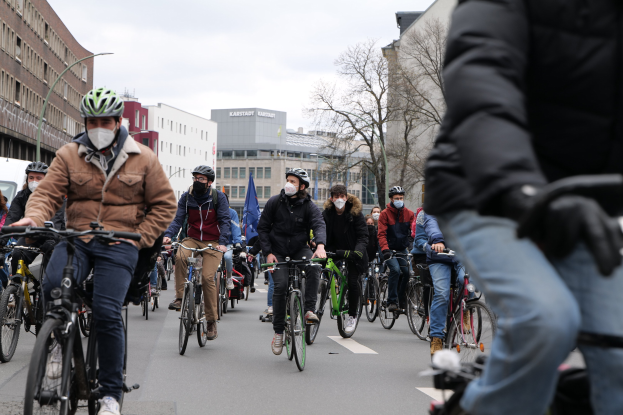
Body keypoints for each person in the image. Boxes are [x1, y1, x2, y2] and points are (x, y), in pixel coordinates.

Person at [424, 2, 623, 414]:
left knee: (618, 352)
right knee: (544, 319)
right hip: (487, 189)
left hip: (589, 205)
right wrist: (522, 188)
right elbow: (483, 81)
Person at [12, 87, 176, 415]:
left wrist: (141, 236)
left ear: (118, 122)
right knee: (52, 285)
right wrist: (34, 216)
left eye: (105, 120)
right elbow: (47, 193)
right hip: (77, 240)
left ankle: (111, 395)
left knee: (106, 310)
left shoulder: (142, 158)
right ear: (85, 122)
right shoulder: (69, 155)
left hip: (120, 244)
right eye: (92, 121)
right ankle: (57, 348)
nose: (98, 126)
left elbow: (164, 204)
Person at [257, 168, 327, 355]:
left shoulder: (309, 205)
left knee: (313, 268)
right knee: (280, 286)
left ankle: (308, 311)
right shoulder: (275, 201)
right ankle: (279, 331)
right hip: (277, 251)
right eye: (287, 180)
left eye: (293, 182)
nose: (288, 184)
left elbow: (319, 224)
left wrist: (320, 246)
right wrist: (268, 253)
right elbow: (262, 228)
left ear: (302, 186)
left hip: (299, 248)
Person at [163, 165, 230, 341]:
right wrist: (168, 235)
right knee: (179, 256)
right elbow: (178, 219)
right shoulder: (187, 197)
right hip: (192, 239)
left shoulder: (218, 197)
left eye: (201, 179)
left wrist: (223, 243)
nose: (197, 181)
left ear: (209, 182)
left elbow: (224, 221)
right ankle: (179, 297)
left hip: (213, 242)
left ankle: (210, 321)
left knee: (208, 278)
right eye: (195, 178)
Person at [415, 211, 469, 356]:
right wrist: (436, 242)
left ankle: (466, 308)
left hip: (461, 255)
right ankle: (437, 337)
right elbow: (431, 224)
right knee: (441, 293)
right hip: (439, 256)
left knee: (465, 280)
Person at [5, 162, 66, 277]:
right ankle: (17, 287)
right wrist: (3, 236)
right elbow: (12, 217)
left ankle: (47, 292)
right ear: (27, 179)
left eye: (39, 178)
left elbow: (56, 220)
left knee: (51, 268)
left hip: (54, 235)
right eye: (31, 177)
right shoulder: (21, 196)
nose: (34, 181)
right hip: (32, 234)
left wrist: (52, 239)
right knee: (18, 253)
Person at [322, 184, 368, 332]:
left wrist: (358, 252)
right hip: (333, 251)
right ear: (332, 198)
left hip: (353, 253)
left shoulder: (356, 213)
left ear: (346, 197)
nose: (339, 199)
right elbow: (320, 231)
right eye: (336, 196)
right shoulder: (327, 214)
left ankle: (352, 316)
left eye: (342, 196)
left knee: (352, 282)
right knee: (322, 273)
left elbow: (363, 236)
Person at [377, 186, 415, 312]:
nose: (399, 200)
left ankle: (401, 299)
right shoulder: (384, 214)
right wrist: (385, 250)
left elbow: (412, 233)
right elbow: (381, 234)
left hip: (402, 248)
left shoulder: (409, 214)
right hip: (388, 248)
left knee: (407, 273)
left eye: (401, 198)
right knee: (395, 270)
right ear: (391, 200)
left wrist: (411, 246)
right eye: (396, 198)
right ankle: (391, 301)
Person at [224, 205, 242, 290]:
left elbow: (235, 228)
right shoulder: (212, 211)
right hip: (214, 242)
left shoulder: (232, 213)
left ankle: (229, 277)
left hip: (228, 243)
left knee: (227, 257)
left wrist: (237, 242)